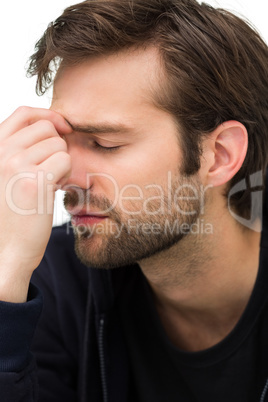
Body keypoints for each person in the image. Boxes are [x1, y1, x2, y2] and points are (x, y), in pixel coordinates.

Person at [1, 0, 268, 401]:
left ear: (220, 156)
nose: (62, 178)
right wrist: (6, 275)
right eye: (60, 141)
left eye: (105, 143)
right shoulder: (44, 279)